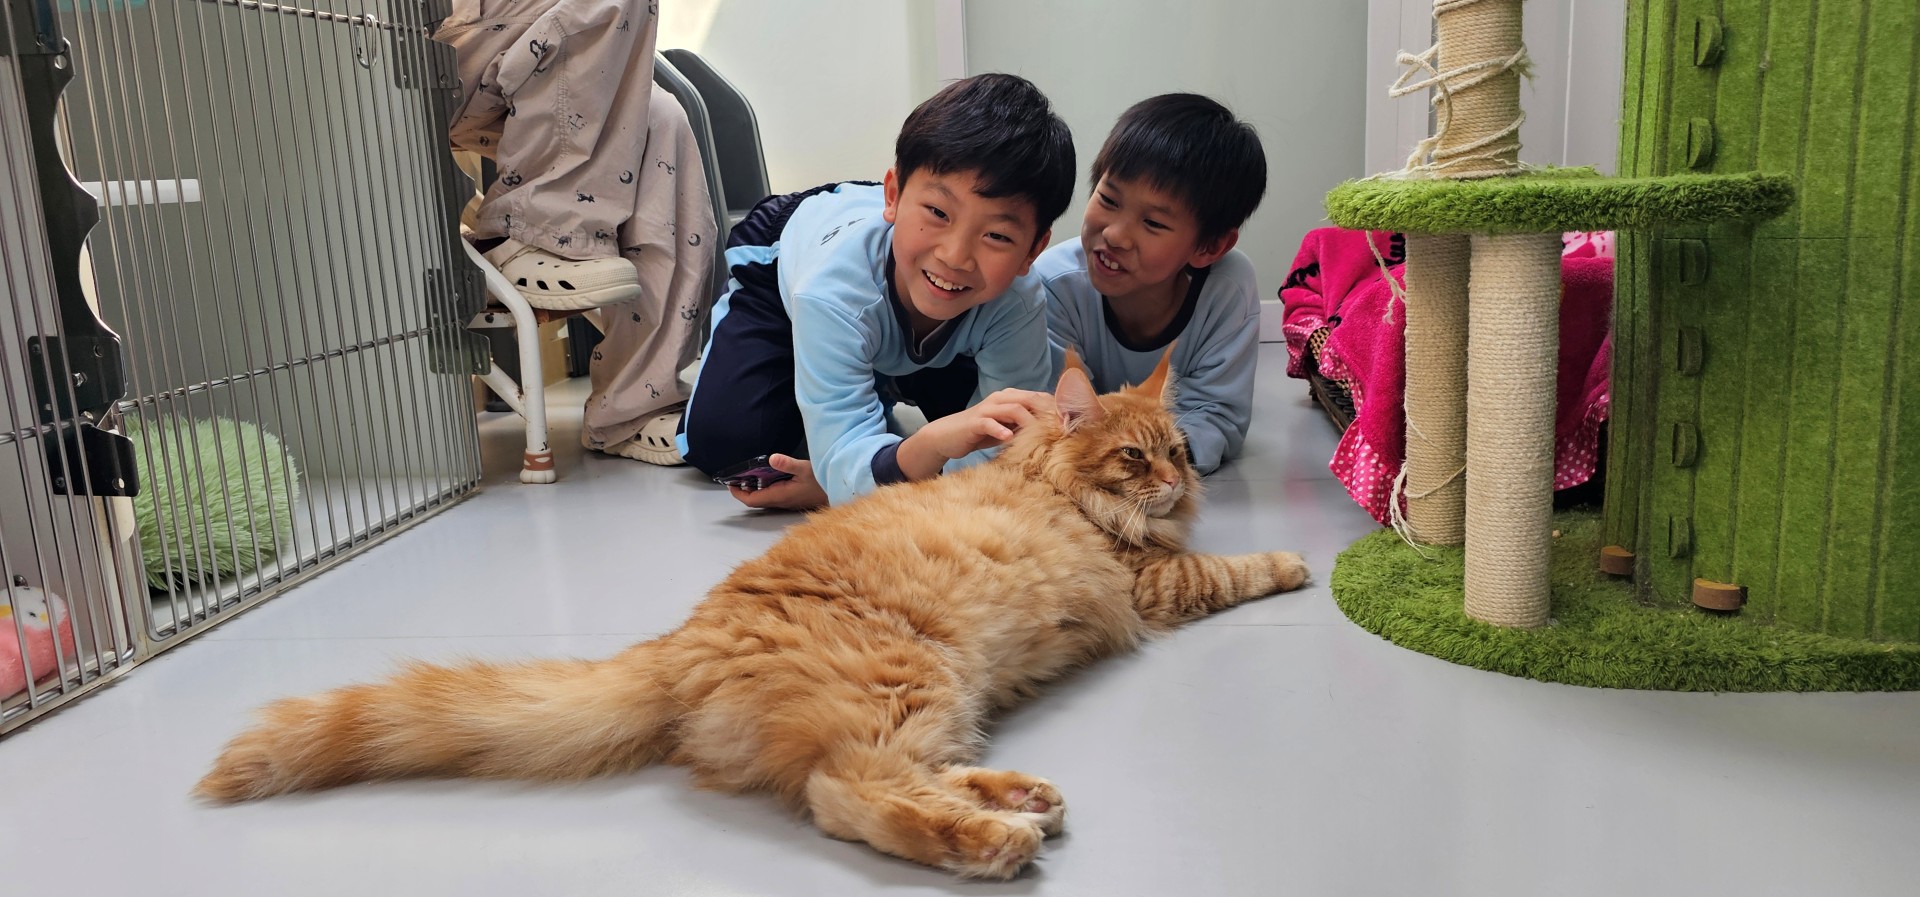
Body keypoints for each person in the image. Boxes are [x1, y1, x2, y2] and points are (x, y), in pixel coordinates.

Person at [671, 73, 1078, 511]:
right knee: (724, 444)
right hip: (784, 252)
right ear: (894, 196)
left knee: (987, 426)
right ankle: (859, 381)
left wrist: (841, 482)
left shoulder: (1017, 298)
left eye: (997, 236)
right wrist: (914, 451)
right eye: (938, 212)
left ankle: (881, 383)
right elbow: (847, 463)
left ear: (1033, 250)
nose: (955, 256)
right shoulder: (830, 289)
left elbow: (1006, 455)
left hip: (912, 295)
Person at [437, 0, 716, 464]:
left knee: (660, 118)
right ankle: (529, 230)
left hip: (505, 47)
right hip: (409, 44)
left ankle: (631, 407)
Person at [1033, 93, 1269, 475]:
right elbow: (1065, 421)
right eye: (1108, 200)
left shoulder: (1228, 288)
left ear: (1209, 247)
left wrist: (1155, 464)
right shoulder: (1053, 284)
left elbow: (1218, 417)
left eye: (1154, 223)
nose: (1115, 234)